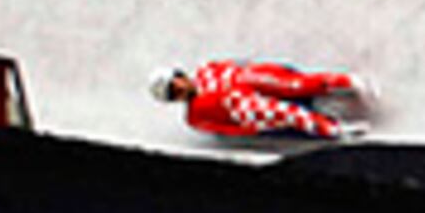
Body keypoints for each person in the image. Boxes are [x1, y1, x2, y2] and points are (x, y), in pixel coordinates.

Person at [152, 61, 362, 142]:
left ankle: (344, 82)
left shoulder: (207, 70)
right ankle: (334, 129)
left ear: (179, 75)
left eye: (175, 83)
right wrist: (252, 130)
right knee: (284, 112)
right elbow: (224, 128)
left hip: (251, 81)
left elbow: (238, 64)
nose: (178, 89)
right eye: (173, 93)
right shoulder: (195, 116)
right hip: (244, 110)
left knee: (294, 84)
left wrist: (268, 68)